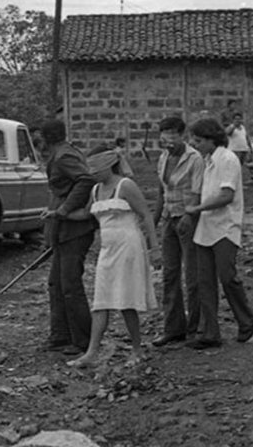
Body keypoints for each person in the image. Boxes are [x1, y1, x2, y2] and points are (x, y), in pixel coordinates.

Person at [65, 148, 158, 368]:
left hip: (128, 246)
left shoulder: (125, 185)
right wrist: (60, 213)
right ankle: (91, 352)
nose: (93, 173)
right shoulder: (96, 189)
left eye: (97, 168)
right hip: (107, 248)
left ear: (109, 165)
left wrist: (154, 248)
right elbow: (87, 214)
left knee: (126, 300)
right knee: (101, 299)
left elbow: (145, 214)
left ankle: (137, 349)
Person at [184, 118, 253, 350]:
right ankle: (210, 332)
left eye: (199, 140)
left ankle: (245, 319)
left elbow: (226, 196)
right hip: (206, 227)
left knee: (227, 277)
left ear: (211, 139)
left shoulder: (227, 159)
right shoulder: (208, 161)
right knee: (205, 282)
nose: (195, 144)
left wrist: (198, 209)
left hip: (225, 226)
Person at [40, 119, 96, 356]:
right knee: (57, 284)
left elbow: (86, 180)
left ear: (45, 138)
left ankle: (82, 340)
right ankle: (60, 335)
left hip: (74, 230)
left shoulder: (64, 157)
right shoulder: (63, 153)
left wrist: (64, 210)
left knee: (71, 285)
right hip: (63, 230)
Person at [151, 116, 204, 347]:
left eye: (173, 133)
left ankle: (196, 329)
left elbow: (198, 191)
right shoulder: (163, 157)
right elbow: (161, 192)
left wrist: (189, 215)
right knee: (169, 274)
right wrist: (153, 222)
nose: (169, 138)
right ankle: (173, 328)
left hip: (188, 220)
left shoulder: (194, 158)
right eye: (165, 133)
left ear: (183, 134)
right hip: (168, 220)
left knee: (192, 275)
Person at [226, 112, 253, 184]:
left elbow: (247, 138)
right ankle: (233, 181)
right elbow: (227, 133)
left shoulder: (243, 128)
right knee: (234, 167)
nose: (238, 121)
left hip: (243, 150)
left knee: (241, 167)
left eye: (239, 119)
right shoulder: (231, 127)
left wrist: (250, 147)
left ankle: (241, 182)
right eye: (236, 119)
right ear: (233, 120)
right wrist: (234, 126)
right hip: (235, 150)